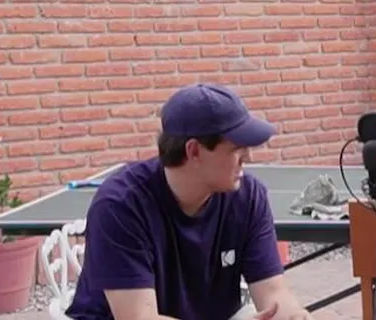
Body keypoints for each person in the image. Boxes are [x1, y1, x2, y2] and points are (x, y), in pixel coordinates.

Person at [66, 83, 314, 320]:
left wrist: (292, 314)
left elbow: (272, 292)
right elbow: (139, 317)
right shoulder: (120, 206)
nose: (248, 156)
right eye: (237, 148)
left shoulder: (248, 198)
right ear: (194, 151)